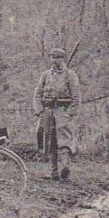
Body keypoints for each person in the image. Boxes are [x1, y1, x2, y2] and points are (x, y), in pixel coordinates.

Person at [32, 49, 80, 181]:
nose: (54, 61)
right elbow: (37, 95)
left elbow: (76, 98)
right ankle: (53, 172)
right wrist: (40, 111)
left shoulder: (70, 75)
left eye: (57, 58)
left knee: (64, 142)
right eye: (52, 58)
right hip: (48, 112)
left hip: (62, 112)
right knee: (50, 142)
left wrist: (69, 113)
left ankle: (65, 167)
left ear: (63, 59)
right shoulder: (46, 75)